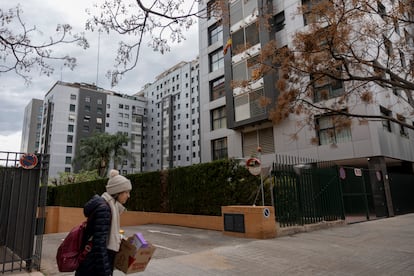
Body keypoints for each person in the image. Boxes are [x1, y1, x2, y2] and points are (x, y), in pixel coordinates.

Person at [75, 169, 132, 276]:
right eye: (126, 192)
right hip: (93, 267)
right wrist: (106, 272)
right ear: (117, 192)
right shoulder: (105, 209)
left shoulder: (110, 206)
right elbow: (99, 245)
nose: (128, 196)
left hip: (93, 264)